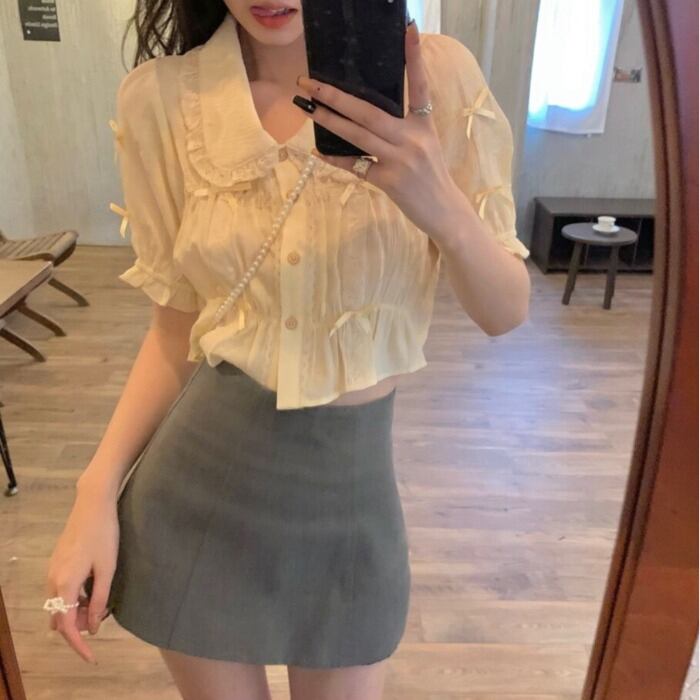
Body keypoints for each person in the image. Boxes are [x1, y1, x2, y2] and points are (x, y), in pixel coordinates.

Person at [44, 2, 531, 698]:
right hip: (193, 505)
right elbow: (174, 334)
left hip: (352, 508)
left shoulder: (434, 77)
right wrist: (92, 496)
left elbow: (504, 311)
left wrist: (440, 204)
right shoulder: (162, 99)